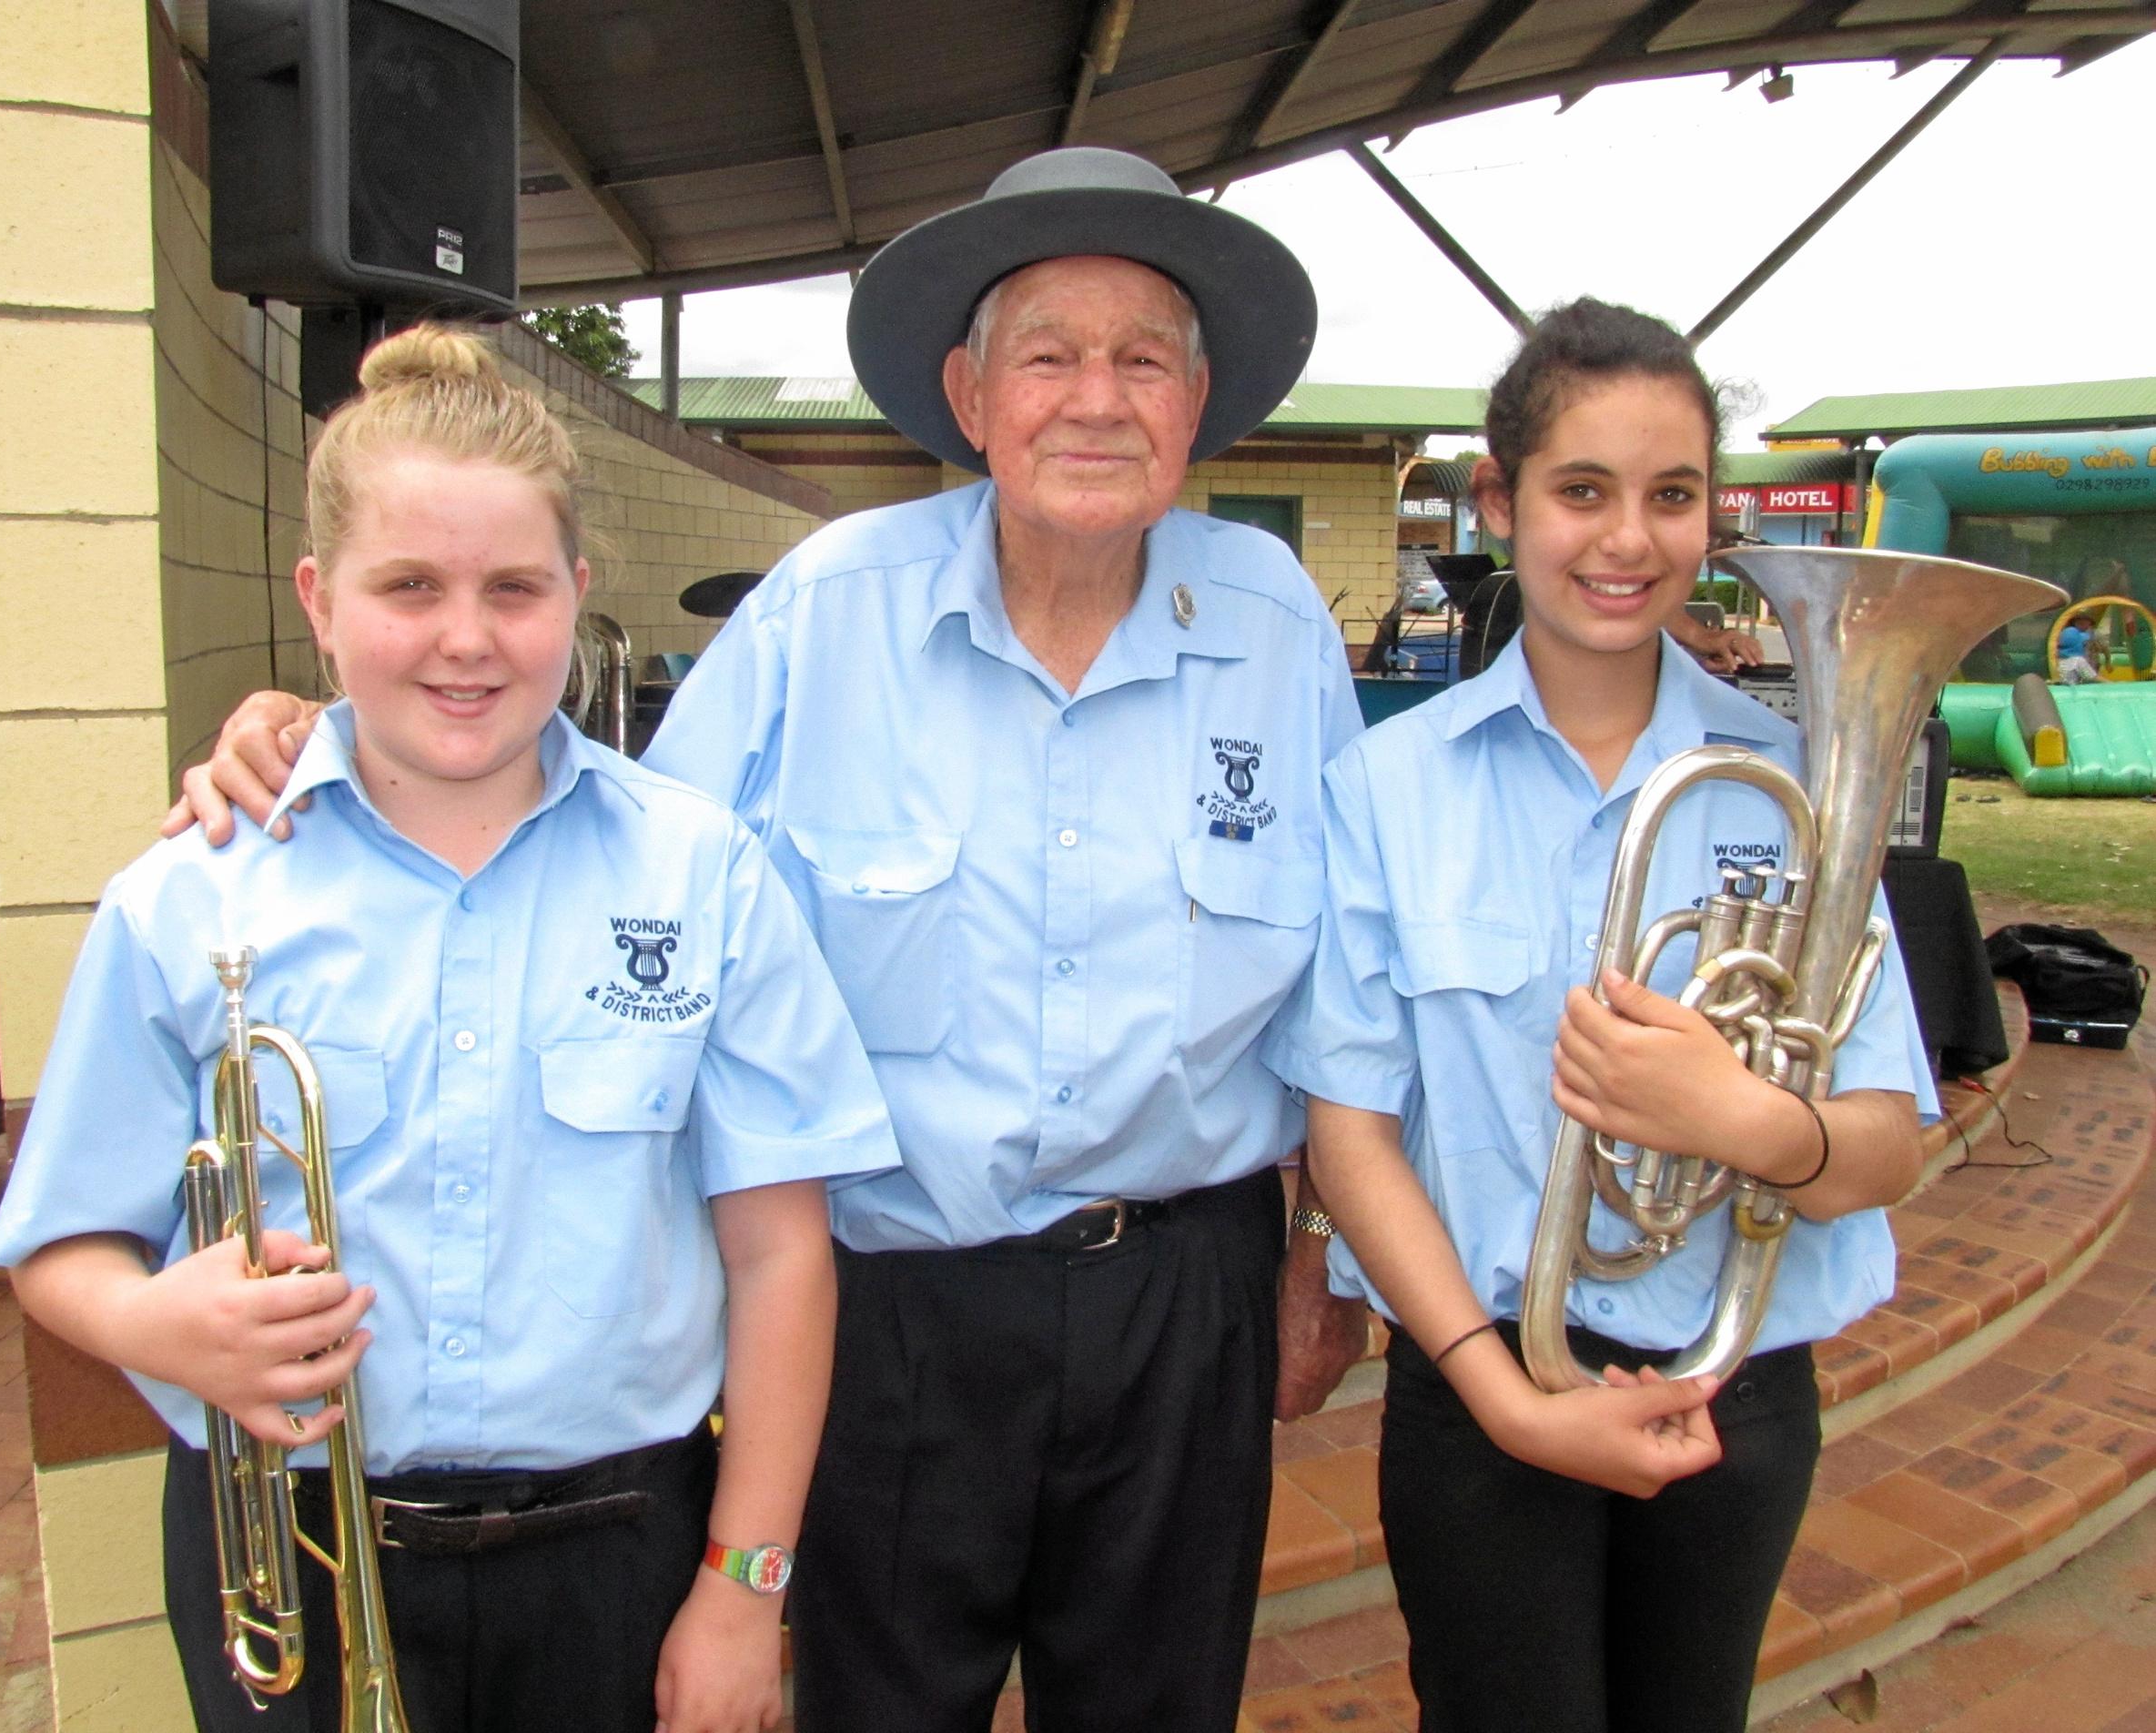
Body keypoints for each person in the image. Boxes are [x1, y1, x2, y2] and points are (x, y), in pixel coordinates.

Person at [167, 147, 1373, 1731]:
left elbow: (1349, 989)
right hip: (895, 1309)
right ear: (966, 389)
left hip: (1183, 1300)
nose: (1097, 396)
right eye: (1048, 355)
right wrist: (335, 735)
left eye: (1142, 356)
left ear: (1197, 394)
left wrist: (1318, 1256)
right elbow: (600, 852)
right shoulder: (821, 610)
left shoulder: (1275, 622)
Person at [0, 327, 899, 1733]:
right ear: (319, 599)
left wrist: (746, 1584)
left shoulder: (701, 873)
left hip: (623, 1557)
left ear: (579, 596)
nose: (465, 637)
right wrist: (155, 1323)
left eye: (514, 589)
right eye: (407, 586)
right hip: (285, 1549)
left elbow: (779, 1252)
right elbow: (60, 1248)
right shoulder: (188, 896)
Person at [1263, 299, 1941, 1733]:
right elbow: (1351, 1128)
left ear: (1712, 515)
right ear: (1500, 502)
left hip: (1734, 1390)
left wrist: (1739, 1120)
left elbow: (1887, 1147)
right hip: (1482, 1381)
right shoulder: (1389, 791)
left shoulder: (1796, 784)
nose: (1626, 539)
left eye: (1671, 496)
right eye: (1581, 491)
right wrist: (1503, 1399)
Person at [2056, 615, 2100, 683]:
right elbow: (2094, 677)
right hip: (2073, 689)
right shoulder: (2077, 660)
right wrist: (2115, 685)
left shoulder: (2057, 659)